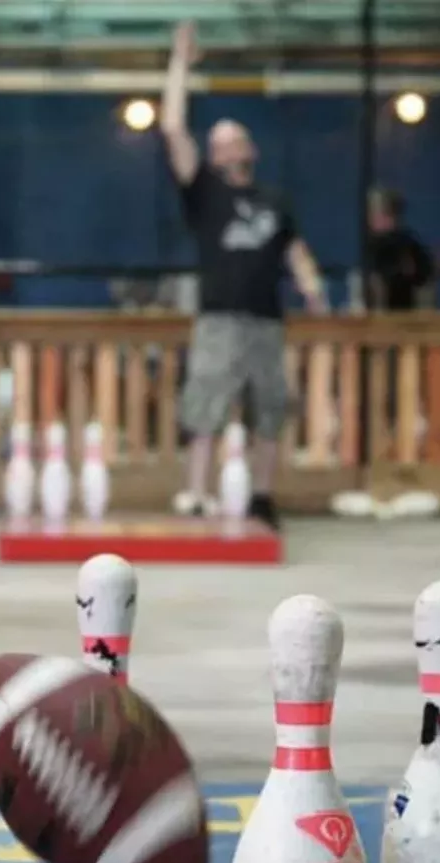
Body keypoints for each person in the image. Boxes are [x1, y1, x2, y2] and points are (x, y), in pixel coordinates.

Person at [161, 20, 327, 530]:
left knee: (270, 408)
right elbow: (172, 128)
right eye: (220, 143)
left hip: (265, 319)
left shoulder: (274, 201)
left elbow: (294, 247)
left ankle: (262, 496)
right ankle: (195, 492)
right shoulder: (206, 192)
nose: (228, 147)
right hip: (219, 316)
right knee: (206, 403)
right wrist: (179, 65)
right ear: (213, 157)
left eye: (236, 140)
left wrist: (312, 284)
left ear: (250, 151)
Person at [366, 188, 434, 311]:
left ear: (389, 216)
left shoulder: (405, 244)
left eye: (375, 214)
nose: (371, 220)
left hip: (402, 313)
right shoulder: (372, 246)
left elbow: (422, 274)